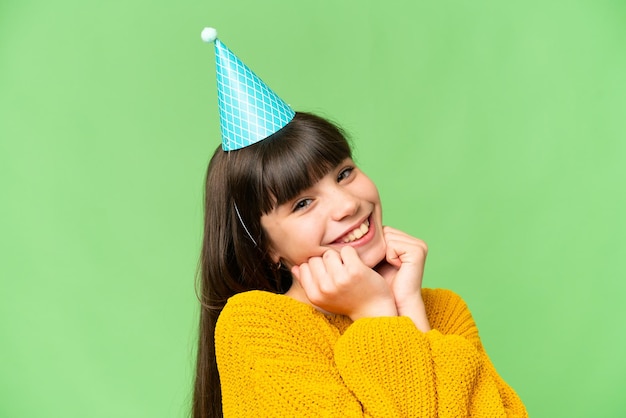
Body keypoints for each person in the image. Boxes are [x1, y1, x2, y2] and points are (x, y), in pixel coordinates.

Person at [193, 28, 527, 418]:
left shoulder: (444, 311)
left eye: (344, 173)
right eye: (302, 203)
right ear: (266, 246)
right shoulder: (259, 327)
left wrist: (409, 309)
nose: (348, 204)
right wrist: (374, 313)